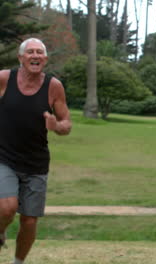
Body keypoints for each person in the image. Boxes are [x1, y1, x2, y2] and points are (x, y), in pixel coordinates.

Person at [0, 38, 72, 264]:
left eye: (40, 52)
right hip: (4, 156)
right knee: (7, 207)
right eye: (30, 52)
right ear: (20, 58)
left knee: (29, 221)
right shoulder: (4, 79)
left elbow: (66, 124)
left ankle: (18, 262)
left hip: (36, 162)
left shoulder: (53, 86)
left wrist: (56, 126)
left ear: (45, 59)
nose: (35, 56)